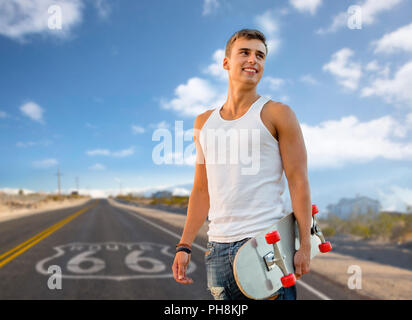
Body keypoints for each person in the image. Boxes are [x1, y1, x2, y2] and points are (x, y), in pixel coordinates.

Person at [172, 29, 312, 300]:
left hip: (265, 246)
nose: (253, 60)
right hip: (217, 251)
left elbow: (298, 180)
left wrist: (304, 243)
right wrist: (184, 245)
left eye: (260, 55)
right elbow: (202, 190)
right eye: (245, 52)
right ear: (226, 62)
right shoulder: (203, 122)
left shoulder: (278, 113)